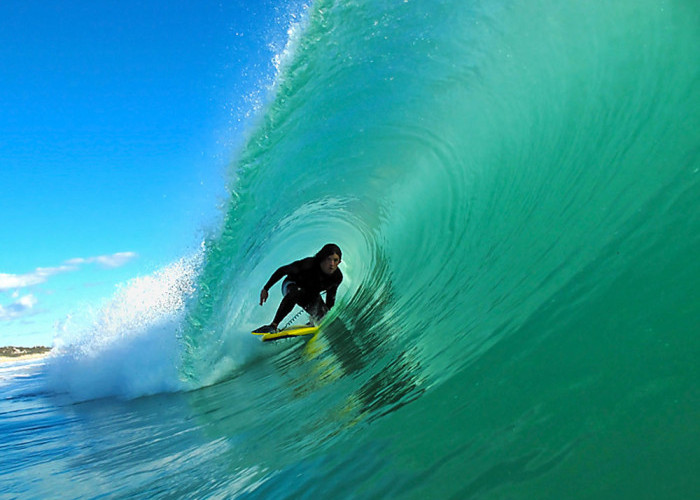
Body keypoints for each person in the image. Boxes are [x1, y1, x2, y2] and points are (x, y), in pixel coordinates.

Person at [254, 243, 343, 333]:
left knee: (325, 317)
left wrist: (324, 316)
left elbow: (331, 298)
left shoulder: (337, 277)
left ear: (339, 262)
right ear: (322, 258)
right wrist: (266, 289)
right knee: (297, 292)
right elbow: (282, 270)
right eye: (329, 259)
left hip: (310, 294)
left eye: (335, 260)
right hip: (291, 285)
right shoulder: (309, 264)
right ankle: (273, 325)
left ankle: (312, 322)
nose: (332, 264)